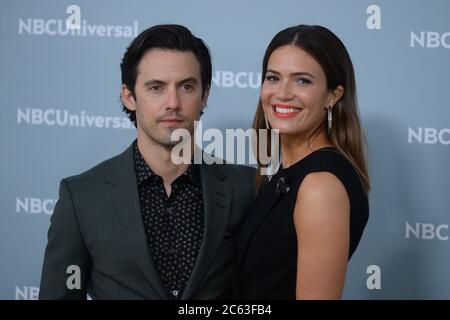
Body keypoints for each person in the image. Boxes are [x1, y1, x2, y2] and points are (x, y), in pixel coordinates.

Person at [39, 24, 255, 300]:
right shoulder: (82, 197)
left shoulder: (246, 188)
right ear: (129, 97)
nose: (173, 102)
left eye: (186, 86)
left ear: (204, 95)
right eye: (156, 87)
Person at [234, 25, 370, 300]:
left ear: (333, 95)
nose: (282, 93)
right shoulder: (288, 173)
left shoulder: (320, 185)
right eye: (273, 78)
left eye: (302, 81)